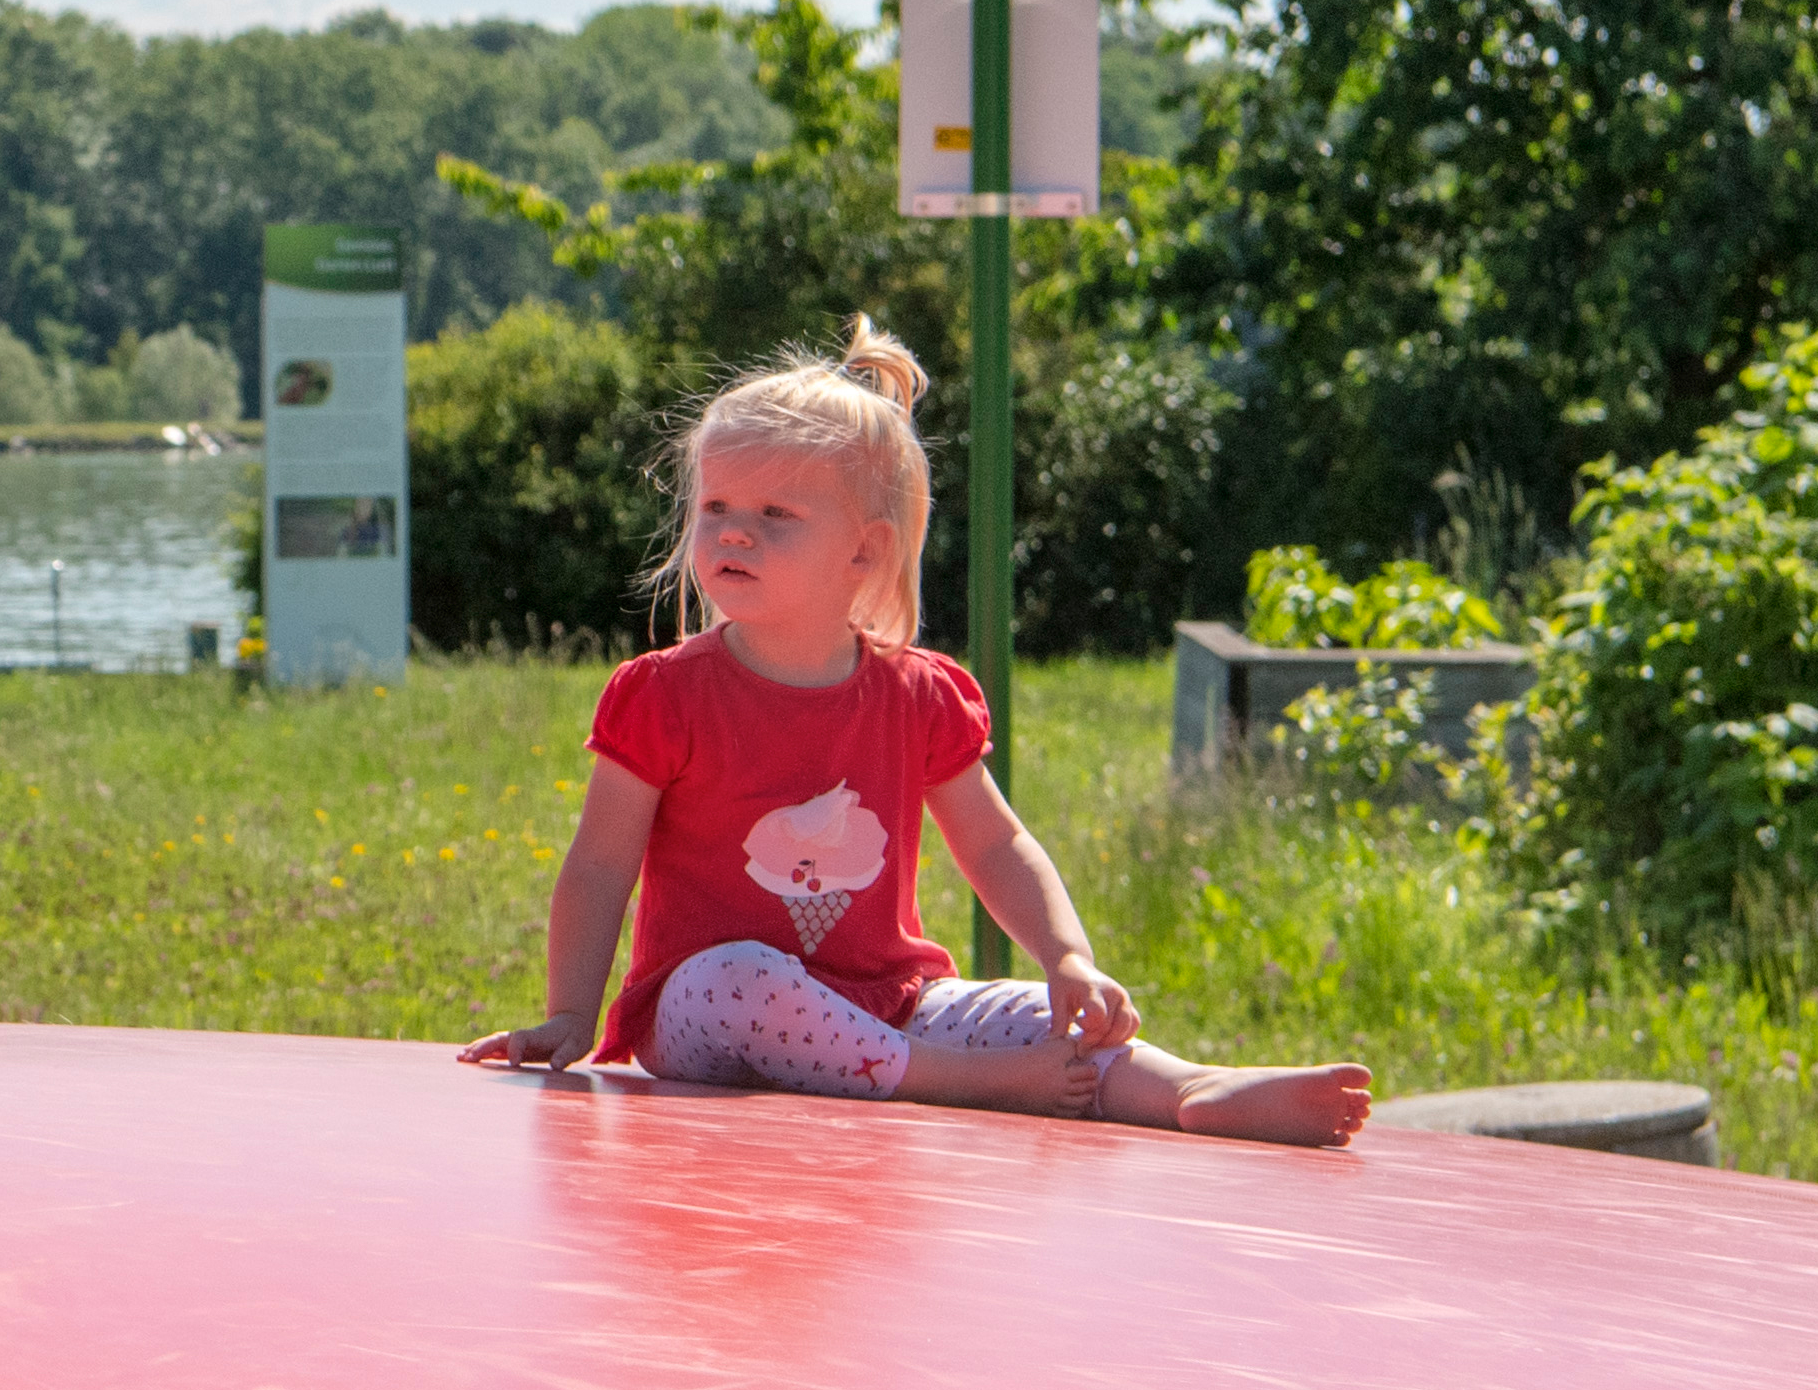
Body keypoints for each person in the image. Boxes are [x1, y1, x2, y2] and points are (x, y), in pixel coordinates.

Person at [458, 317, 1372, 1144]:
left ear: (865, 550)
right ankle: (964, 1084)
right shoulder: (662, 694)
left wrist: (1068, 959)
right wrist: (571, 1017)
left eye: (776, 515)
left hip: (893, 1005)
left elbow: (997, 843)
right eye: (716, 510)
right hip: (710, 1020)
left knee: (1025, 1012)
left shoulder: (920, 695)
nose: (735, 533)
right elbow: (599, 866)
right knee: (731, 974)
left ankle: (1187, 1089)